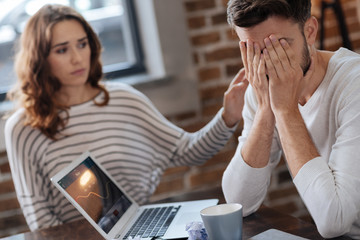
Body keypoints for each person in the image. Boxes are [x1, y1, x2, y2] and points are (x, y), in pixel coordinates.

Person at [4, 4, 249, 231]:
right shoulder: (23, 128)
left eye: (82, 44)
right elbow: (40, 219)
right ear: (40, 59)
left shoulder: (124, 99)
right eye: (61, 50)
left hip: (140, 231)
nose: (77, 58)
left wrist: (228, 116)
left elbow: (189, 151)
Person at [222, 0, 360, 239]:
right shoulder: (262, 89)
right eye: (253, 50)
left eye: (279, 46)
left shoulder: (353, 84)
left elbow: (333, 221)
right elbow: (238, 203)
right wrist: (266, 108)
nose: (267, 63)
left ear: (310, 32)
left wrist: (285, 111)